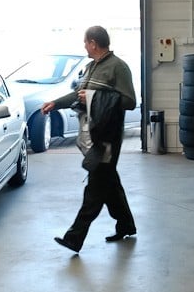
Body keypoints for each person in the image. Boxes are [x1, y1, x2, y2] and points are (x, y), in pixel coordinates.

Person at [41, 25, 137, 253]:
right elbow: (79, 94)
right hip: (92, 134)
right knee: (109, 182)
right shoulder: (91, 67)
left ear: (93, 43)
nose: (84, 46)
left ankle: (75, 237)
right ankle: (126, 224)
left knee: (95, 187)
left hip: (107, 137)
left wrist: (95, 96)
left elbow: (129, 101)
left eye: (85, 42)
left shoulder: (118, 68)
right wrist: (56, 103)